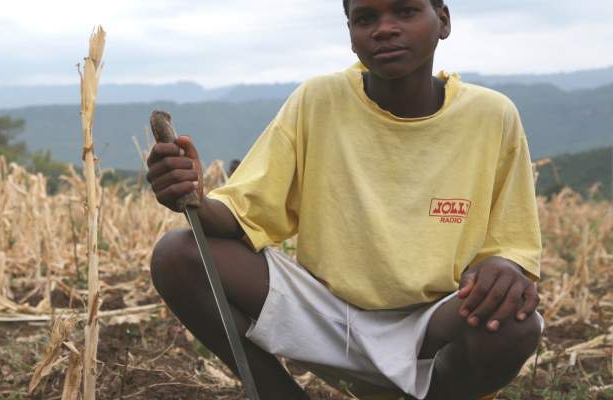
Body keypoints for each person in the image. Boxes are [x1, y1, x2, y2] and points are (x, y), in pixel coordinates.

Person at [146, 0, 543, 399]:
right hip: (327, 318)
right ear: (350, 33)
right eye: (366, 18)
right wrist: (194, 197)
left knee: (515, 323)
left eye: (405, 11)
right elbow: (242, 213)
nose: (384, 29)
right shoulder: (318, 100)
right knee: (177, 254)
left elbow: (511, 245)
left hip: (431, 328)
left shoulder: (491, 115)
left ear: (442, 21)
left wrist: (503, 267)